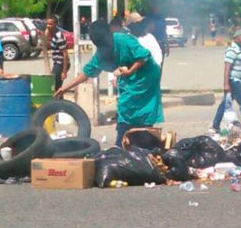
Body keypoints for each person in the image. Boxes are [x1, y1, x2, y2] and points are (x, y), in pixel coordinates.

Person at [55, 19, 163, 147]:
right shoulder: (101, 54)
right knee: (125, 107)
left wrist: (130, 71)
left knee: (141, 108)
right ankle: (125, 139)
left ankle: (144, 138)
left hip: (147, 75)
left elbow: (143, 57)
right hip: (129, 79)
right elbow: (86, 73)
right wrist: (65, 88)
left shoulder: (123, 39)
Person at [209, 29, 241, 135]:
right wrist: (226, 84)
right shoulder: (232, 50)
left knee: (224, 104)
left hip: (237, 81)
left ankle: (215, 126)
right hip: (234, 81)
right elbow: (227, 68)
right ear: (235, 38)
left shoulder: (240, 49)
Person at [48, 17, 70, 94]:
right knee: (56, 87)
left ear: (55, 24)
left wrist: (64, 71)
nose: (48, 26)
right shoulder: (53, 34)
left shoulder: (58, 36)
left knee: (55, 87)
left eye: (50, 24)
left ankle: (59, 104)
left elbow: (65, 53)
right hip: (57, 63)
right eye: (47, 24)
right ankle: (59, 103)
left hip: (60, 64)